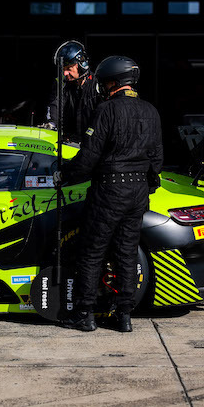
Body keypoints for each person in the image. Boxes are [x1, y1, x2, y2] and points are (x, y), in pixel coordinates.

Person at [55, 56, 163, 332]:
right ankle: (123, 315)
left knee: (91, 252)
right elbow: (157, 159)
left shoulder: (106, 110)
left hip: (109, 190)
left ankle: (83, 314)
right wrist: (144, 185)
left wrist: (64, 175)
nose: (101, 88)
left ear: (112, 83)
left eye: (104, 83)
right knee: (126, 253)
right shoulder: (151, 111)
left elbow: (88, 157)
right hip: (138, 192)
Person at [45, 40, 103, 140]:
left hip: (93, 143)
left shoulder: (98, 86)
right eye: (63, 69)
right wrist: (51, 124)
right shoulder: (62, 84)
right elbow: (55, 105)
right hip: (70, 142)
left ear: (81, 64)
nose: (65, 73)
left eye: (68, 68)